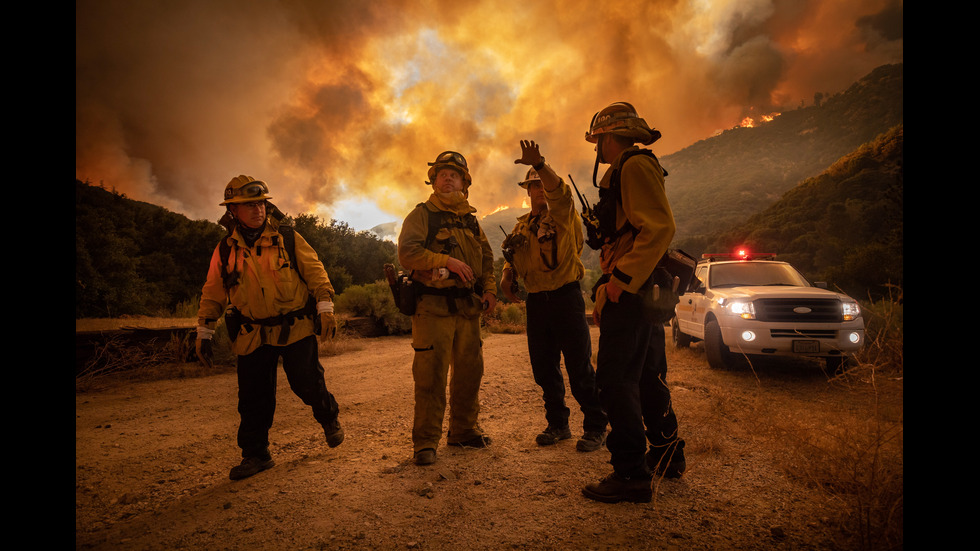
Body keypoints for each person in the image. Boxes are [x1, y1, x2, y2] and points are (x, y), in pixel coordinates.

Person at [195, 175, 344, 481]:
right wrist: (204, 330)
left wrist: (325, 306)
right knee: (253, 397)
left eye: (261, 203)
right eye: (248, 205)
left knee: (307, 383)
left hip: (296, 327)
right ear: (233, 211)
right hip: (253, 333)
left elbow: (315, 271)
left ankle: (329, 417)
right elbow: (213, 292)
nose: (257, 210)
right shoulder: (225, 250)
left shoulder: (288, 238)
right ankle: (256, 454)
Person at [579, 103, 687, 504]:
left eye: (597, 141)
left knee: (613, 380)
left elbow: (658, 227)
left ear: (607, 137)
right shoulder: (631, 166)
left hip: (632, 290)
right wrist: (610, 288)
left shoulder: (634, 165)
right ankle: (667, 456)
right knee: (647, 376)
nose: (597, 149)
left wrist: (619, 283)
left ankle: (630, 474)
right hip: (635, 292)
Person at [501, 140, 607, 452]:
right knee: (544, 368)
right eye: (534, 186)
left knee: (579, 368)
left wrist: (539, 164)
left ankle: (596, 427)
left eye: (543, 184)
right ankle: (558, 424)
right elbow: (513, 256)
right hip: (537, 302)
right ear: (528, 191)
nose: (540, 190)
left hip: (565, 298)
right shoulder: (522, 226)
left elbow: (560, 194)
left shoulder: (562, 215)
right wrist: (507, 276)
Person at [397, 151, 497, 466]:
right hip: (433, 309)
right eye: (442, 173)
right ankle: (425, 443)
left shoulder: (471, 219)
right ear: (433, 180)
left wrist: (490, 289)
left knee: (470, 373)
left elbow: (486, 257)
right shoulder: (422, 214)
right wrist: (446, 260)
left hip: (467, 310)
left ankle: (464, 431)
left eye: (454, 174)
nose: (448, 178)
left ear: (465, 182)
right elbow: (408, 252)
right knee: (430, 375)